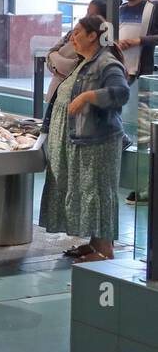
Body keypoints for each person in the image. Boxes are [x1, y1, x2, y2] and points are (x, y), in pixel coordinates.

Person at [40, 15, 129, 263]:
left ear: (93, 36)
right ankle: (94, 243)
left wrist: (89, 96)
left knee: (97, 190)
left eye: (78, 32)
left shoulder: (107, 63)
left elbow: (121, 93)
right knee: (83, 189)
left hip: (97, 142)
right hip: (79, 140)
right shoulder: (85, 62)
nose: (72, 37)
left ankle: (104, 250)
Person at [115, 0, 158, 204]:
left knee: (145, 132)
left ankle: (145, 187)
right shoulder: (119, 10)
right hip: (120, 74)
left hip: (142, 77)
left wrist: (138, 41)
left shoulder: (152, 10)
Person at [47, 0, 108, 101]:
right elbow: (49, 55)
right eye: (87, 13)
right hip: (55, 95)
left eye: (91, 15)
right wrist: (53, 58)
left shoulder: (100, 51)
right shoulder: (72, 34)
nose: (86, 18)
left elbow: (71, 68)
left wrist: (54, 58)